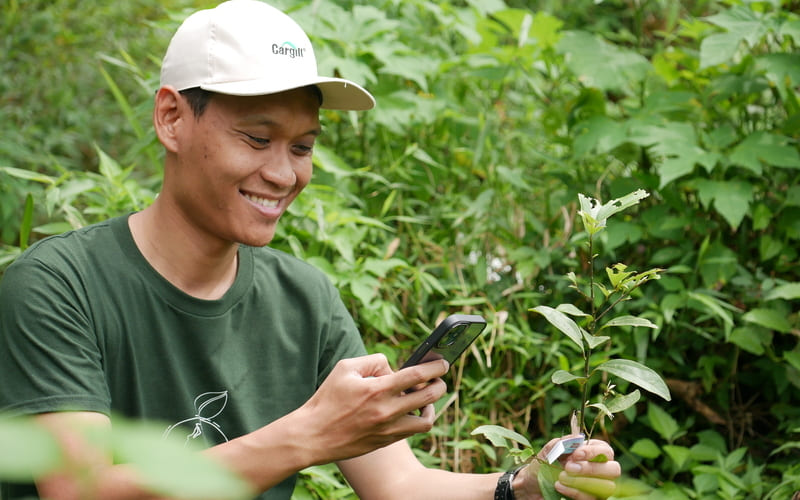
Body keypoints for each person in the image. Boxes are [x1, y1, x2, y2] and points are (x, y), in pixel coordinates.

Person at [0, 1, 621, 499]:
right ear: (171, 118)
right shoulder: (57, 285)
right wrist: (311, 434)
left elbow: (400, 485)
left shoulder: (304, 298)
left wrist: (526, 484)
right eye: (257, 137)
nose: (282, 173)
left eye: (301, 147)